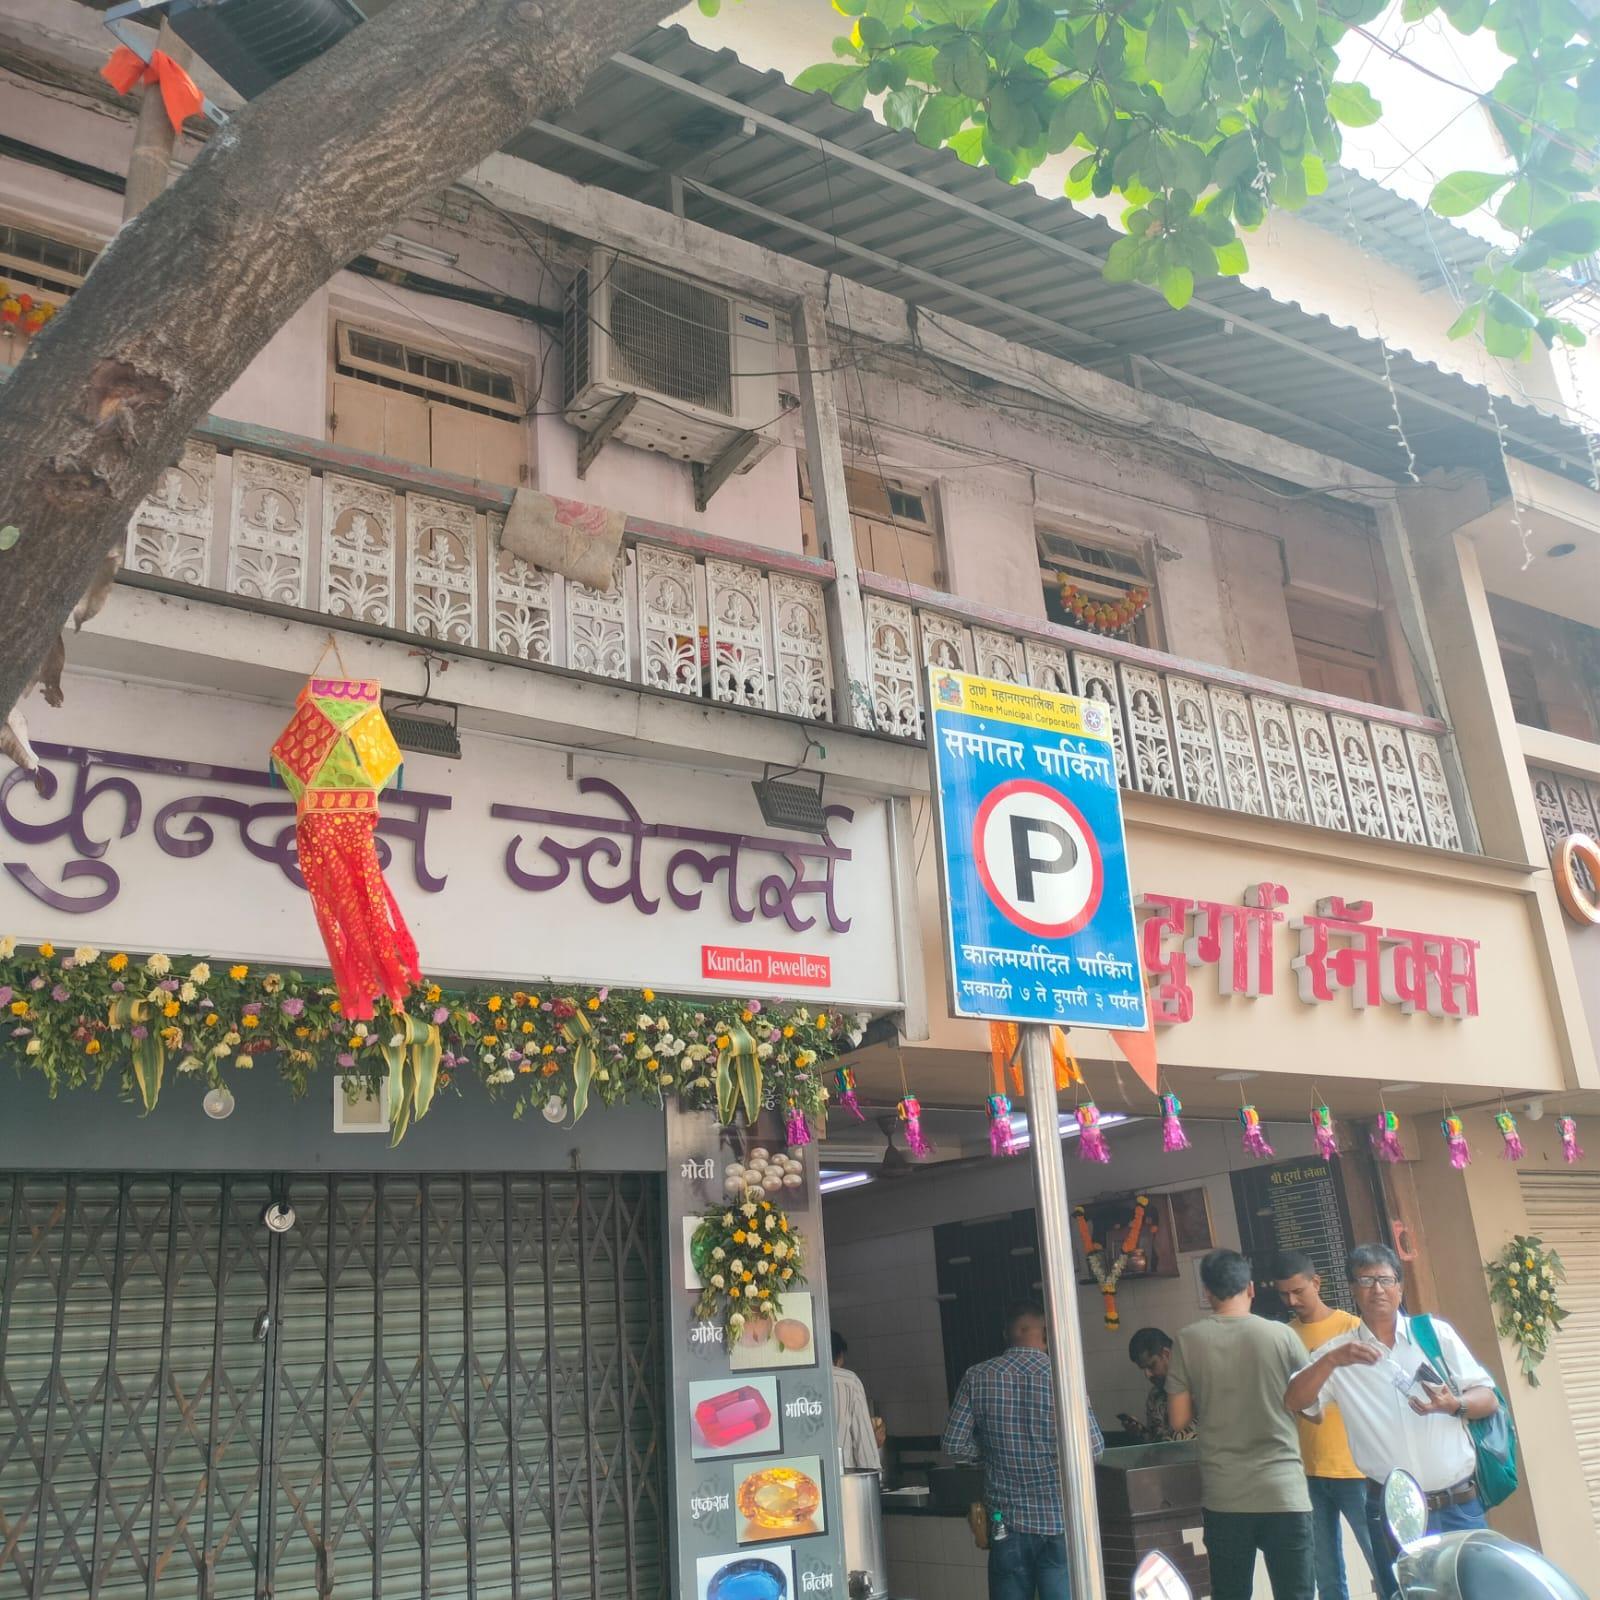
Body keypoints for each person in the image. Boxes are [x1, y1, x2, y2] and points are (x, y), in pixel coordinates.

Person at [1283, 1244, 1499, 1600]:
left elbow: (1487, 1398)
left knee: (1476, 1593)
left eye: (1385, 1279)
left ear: (1400, 1286)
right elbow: (1295, 1400)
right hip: (1394, 1514)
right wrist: (1331, 1361)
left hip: (1459, 1504)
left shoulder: (1434, 1335)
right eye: (1366, 1280)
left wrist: (1454, 1404)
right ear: (1352, 1289)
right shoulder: (1339, 1354)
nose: (1377, 1289)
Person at [1165, 1250, 1313, 1600]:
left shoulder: (1188, 1340)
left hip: (1225, 1496)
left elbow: (1178, 1420)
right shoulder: (1282, 1336)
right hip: (1284, 1493)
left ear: (1207, 1293)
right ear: (1250, 1288)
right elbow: (1310, 1407)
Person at [943, 1300, 1105, 1600]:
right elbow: (1094, 1449)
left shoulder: (977, 1376)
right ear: (1046, 1334)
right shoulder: (1063, 1376)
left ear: (1008, 1334)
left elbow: (953, 1445)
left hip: (1006, 1522)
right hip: (1058, 1520)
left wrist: (989, 1450)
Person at [1271, 1252, 1378, 1600]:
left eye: (1298, 1291)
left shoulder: (1352, 1328)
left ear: (1316, 1283)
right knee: (1327, 1576)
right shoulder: (1284, 1336)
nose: (1292, 1301)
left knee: (1382, 1563)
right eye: (1284, 1294)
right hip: (1308, 1471)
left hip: (1357, 1469)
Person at [1121, 1328, 1196, 1442]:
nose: (1148, 1375)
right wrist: (1140, 1433)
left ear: (1167, 1354)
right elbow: (1155, 1441)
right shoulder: (1154, 1396)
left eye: (1151, 1366)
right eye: (1143, 1369)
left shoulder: (1203, 1384)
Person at [832, 1329, 882, 1473]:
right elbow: (864, 1444)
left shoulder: (791, 1381)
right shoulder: (849, 1381)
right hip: (844, 1480)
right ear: (840, 1356)